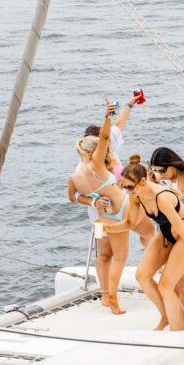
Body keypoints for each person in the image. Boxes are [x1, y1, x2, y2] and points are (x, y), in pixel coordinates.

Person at [106, 162, 184, 331]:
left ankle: (179, 333)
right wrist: (108, 228)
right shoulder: (136, 196)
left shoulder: (162, 198)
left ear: (142, 181)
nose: (127, 191)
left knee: (166, 285)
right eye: (124, 187)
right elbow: (129, 223)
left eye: (129, 187)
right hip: (167, 233)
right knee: (142, 275)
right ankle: (166, 317)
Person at [70, 100, 134, 315]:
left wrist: (130, 104)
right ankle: (108, 294)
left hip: (112, 214)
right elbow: (75, 196)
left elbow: (119, 124)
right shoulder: (83, 168)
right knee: (110, 255)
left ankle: (108, 293)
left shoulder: (110, 146)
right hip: (102, 215)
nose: (104, 147)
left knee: (111, 254)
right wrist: (93, 201)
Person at [149, 147, 184, 215]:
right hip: (164, 223)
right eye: (156, 170)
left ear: (171, 165)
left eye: (162, 171)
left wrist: (182, 199)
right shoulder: (158, 177)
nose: (160, 174)